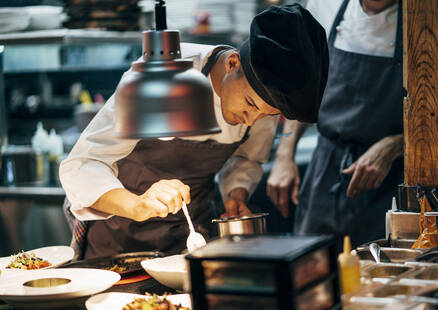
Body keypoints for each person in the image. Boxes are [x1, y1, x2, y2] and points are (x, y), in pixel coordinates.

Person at [60, 4, 329, 259]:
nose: (251, 120)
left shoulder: (265, 99)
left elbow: (246, 158)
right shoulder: (161, 77)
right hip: (118, 239)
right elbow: (82, 165)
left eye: (265, 114)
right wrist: (136, 205)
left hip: (191, 242)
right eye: (249, 104)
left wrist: (236, 193)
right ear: (233, 63)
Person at [267, 0, 404, 248]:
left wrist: (396, 145)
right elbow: (302, 88)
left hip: (391, 179)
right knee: (313, 268)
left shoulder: (425, 17)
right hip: (327, 171)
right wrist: (284, 156)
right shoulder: (325, 5)